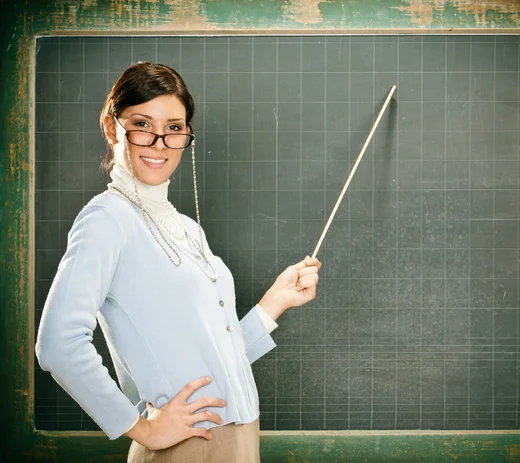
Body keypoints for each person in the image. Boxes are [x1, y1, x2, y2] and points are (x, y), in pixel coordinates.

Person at [35, 62, 322, 463]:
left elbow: (213, 355)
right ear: (111, 126)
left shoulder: (186, 227)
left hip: (241, 440)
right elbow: (57, 346)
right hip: (186, 447)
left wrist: (275, 301)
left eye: (173, 128)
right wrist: (146, 429)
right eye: (142, 124)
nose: (158, 143)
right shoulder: (107, 219)